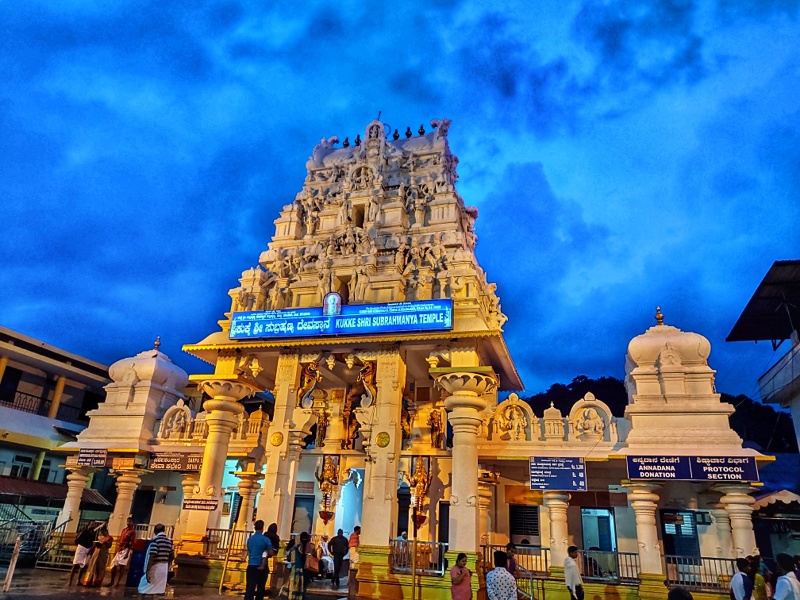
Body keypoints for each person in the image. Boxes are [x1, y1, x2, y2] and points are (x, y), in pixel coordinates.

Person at [138, 523, 174, 598]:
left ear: (154, 531)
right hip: (163, 568)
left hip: (155, 567)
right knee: (156, 591)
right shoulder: (169, 542)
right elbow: (172, 556)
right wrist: (166, 564)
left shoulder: (155, 541)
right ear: (164, 530)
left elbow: (152, 556)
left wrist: (148, 571)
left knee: (141, 589)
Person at [245, 520, 275, 600]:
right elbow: (271, 553)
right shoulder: (265, 540)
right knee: (260, 588)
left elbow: (248, 550)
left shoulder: (250, 539)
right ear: (262, 528)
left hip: (251, 565)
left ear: (255, 528)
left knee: (250, 588)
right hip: (261, 566)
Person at [108, 517, 137, 587]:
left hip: (126, 549)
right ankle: (112, 581)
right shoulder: (124, 530)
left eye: (130, 521)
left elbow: (131, 542)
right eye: (127, 521)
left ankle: (117, 583)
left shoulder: (132, 532)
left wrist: (127, 553)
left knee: (121, 567)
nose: (128, 523)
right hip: (120, 549)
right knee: (114, 565)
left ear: (133, 523)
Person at [286, 531, 315, 600]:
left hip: (297, 570)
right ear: (308, 539)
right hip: (308, 571)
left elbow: (289, 558)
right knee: (304, 588)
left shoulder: (296, 548)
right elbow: (316, 557)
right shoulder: (312, 547)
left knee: (296, 588)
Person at [69, 521, 98, 585]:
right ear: (89, 525)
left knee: (83, 565)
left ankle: (78, 580)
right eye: (92, 524)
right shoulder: (84, 531)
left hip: (88, 548)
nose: (93, 526)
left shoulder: (93, 532)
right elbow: (77, 540)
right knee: (75, 565)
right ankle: (70, 581)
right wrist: (80, 545)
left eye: (94, 525)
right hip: (81, 547)